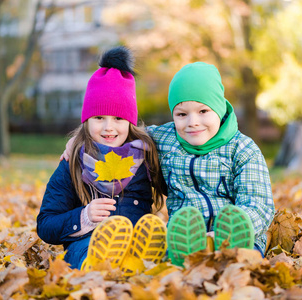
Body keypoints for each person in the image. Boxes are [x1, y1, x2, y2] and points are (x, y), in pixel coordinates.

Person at [62, 62, 275, 267]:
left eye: (203, 111)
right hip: (184, 237)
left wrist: (223, 234)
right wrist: (79, 142)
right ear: (174, 115)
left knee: (241, 258)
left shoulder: (243, 149)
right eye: (182, 114)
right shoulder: (165, 139)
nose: (192, 122)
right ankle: (184, 256)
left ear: (219, 109)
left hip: (237, 237)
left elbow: (259, 205)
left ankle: (230, 248)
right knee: (164, 258)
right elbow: (124, 135)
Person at [37, 46, 167, 275]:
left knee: (153, 251)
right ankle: (99, 266)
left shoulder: (147, 156)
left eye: (118, 118)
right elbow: (46, 225)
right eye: (99, 118)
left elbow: (180, 139)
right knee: (86, 252)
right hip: (86, 244)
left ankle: (142, 261)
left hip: (136, 243)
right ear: (87, 120)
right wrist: (83, 216)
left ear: (130, 122)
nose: (109, 127)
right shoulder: (74, 162)